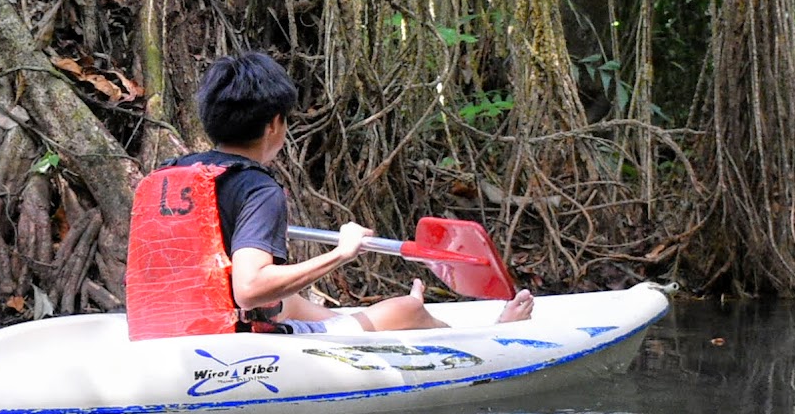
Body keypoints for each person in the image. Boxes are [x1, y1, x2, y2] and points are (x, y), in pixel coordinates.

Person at [161, 52, 533, 334]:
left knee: (290, 301)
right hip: (235, 341)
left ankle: (369, 326)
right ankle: (485, 334)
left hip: (178, 320)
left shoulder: (175, 171)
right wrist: (342, 252)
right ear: (275, 123)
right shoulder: (259, 188)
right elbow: (250, 289)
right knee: (406, 308)